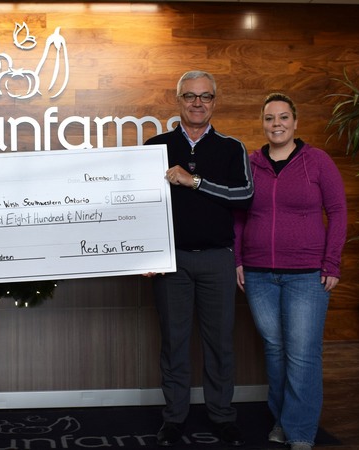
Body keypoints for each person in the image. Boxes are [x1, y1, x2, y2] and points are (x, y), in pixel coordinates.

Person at [144, 70, 254, 447]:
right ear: (178, 100)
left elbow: (245, 197)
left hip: (217, 260)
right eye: (190, 96)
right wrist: (146, 252)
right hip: (171, 262)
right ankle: (174, 418)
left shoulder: (231, 147)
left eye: (205, 96)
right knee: (174, 343)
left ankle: (222, 415)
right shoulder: (155, 147)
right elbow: (142, 206)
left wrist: (195, 182)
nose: (197, 103)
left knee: (220, 343)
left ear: (214, 102)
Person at [234, 93, 347, 450]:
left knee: (302, 353)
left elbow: (338, 212)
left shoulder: (317, 161)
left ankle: (299, 431)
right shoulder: (251, 163)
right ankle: (281, 421)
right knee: (275, 349)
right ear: (263, 123)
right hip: (258, 274)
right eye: (270, 118)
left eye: (283, 117)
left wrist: (332, 262)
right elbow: (238, 215)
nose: (277, 124)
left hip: (306, 274)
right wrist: (238, 259)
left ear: (296, 122)